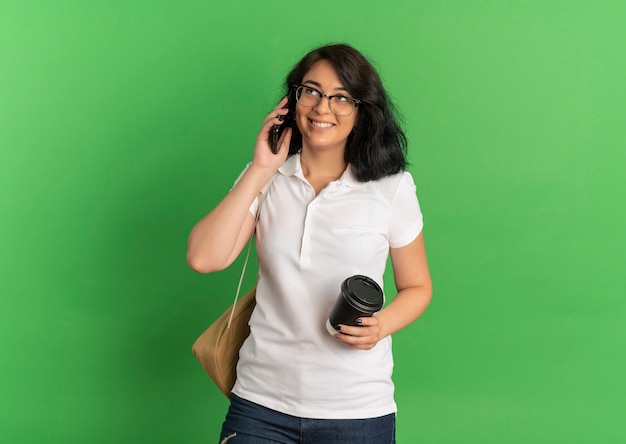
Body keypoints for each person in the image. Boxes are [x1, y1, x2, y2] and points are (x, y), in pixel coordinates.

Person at [187, 43, 432, 444]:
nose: (322, 108)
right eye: (311, 91)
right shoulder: (267, 177)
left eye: (341, 98)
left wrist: (381, 325)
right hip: (259, 405)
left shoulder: (392, 188)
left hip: (357, 411)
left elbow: (418, 286)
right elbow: (203, 257)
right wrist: (261, 168)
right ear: (293, 99)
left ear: (361, 111)